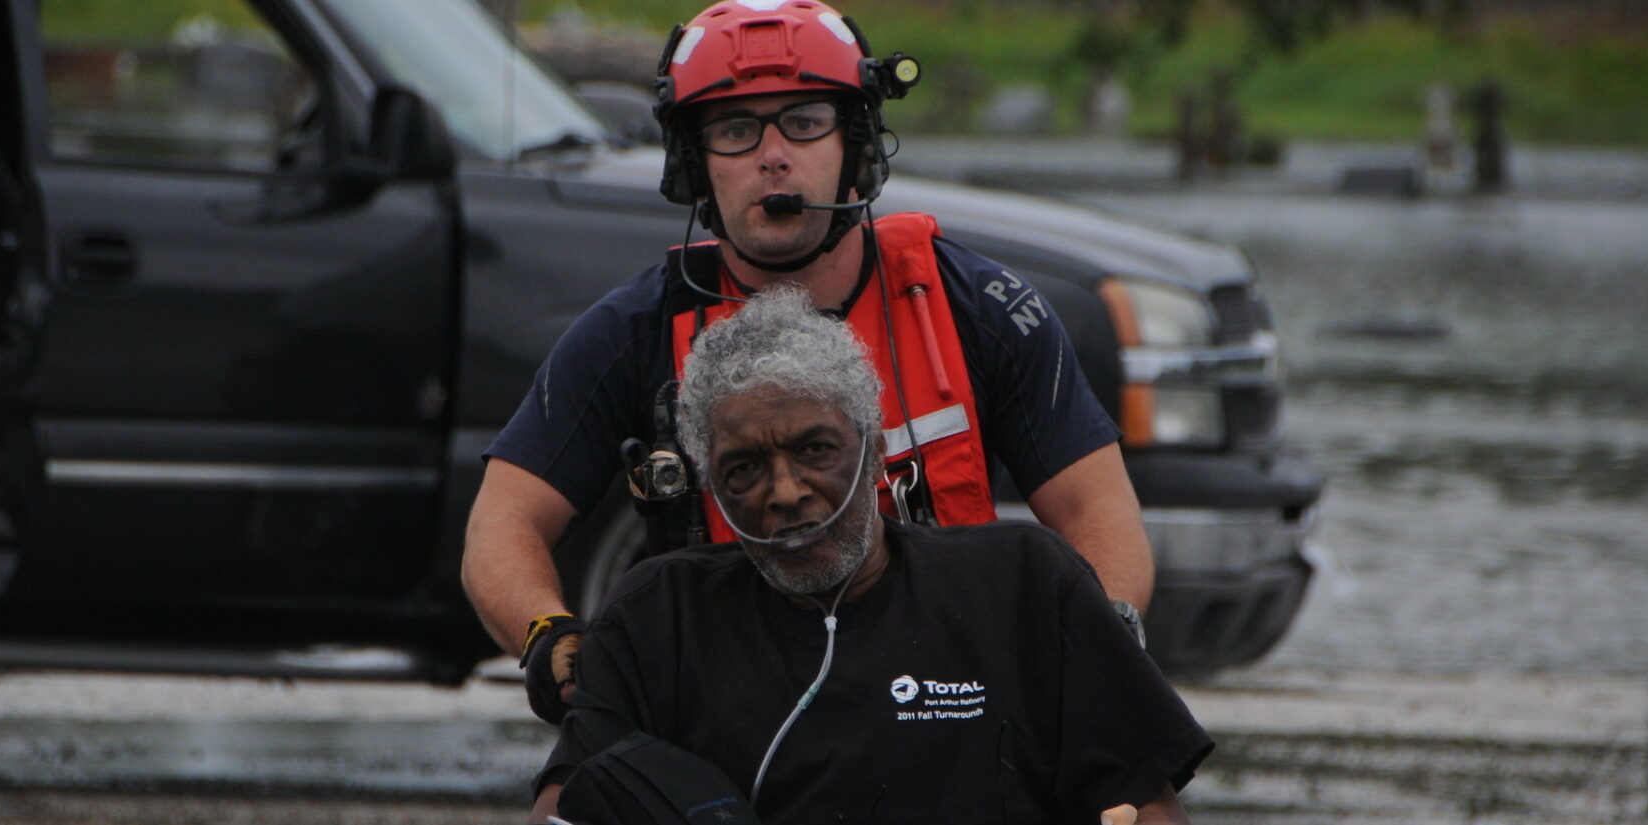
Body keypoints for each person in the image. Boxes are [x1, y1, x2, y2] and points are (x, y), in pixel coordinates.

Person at [463, 0, 1155, 724]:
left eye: (804, 122)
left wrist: (1103, 644)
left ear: (857, 148)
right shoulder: (632, 331)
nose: (773, 155)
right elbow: (503, 521)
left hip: (955, 700)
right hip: (736, 708)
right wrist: (547, 634)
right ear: (693, 165)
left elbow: (1098, 507)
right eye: (735, 129)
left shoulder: (974, 305)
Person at [530, 288, 1211, 824]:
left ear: (877, 450)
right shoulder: (656, 619)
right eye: (743, 469)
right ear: (710, 484)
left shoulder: (1025, 585)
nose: (786, 492)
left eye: (815, 450)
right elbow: (561, 809)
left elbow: (1146, 803)